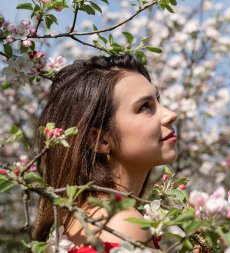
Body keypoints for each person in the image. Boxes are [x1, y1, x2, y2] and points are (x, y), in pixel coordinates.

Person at [32, 53, 178, 251]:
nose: (170, 115)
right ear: (100, 140)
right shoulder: (125, 224)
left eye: (158, 101)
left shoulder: (72, 222)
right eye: (145, 107)